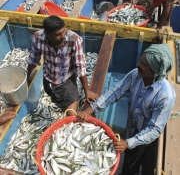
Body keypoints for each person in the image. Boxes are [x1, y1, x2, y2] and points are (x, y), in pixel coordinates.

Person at [77, 44, 176, 175]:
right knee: (129, 158)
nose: (138, 65)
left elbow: (155, 129)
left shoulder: (165, 96)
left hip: (144, 136)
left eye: (144, 64)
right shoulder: (136, 75)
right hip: (131, 127)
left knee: (131, 164)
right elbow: (115, 92)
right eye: (141, 60)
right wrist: (91, 109)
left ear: (155, 72)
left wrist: (128, 143)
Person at [27, 15, 98, 116]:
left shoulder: (74, 40)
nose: (62, 35)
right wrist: (28, 77)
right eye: (58, 34)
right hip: (48, 79)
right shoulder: (38, 37)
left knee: (71, 115)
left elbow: (80, 66)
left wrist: (87, 91)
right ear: (47, 34)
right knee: (57, 101)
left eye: (63, 31)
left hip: (67, 80)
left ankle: (68, 103)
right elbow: (33, 60)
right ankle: (62, 106)